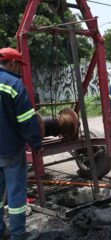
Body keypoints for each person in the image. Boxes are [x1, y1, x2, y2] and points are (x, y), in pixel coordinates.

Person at [0, 47, 43, 239]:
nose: (19, 70)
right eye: (18, 66)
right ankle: (18, 235)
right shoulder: (13, 84)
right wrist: (36, 144)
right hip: (10, 150)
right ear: (11, 63)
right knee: (16, 194)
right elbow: (27, 120)